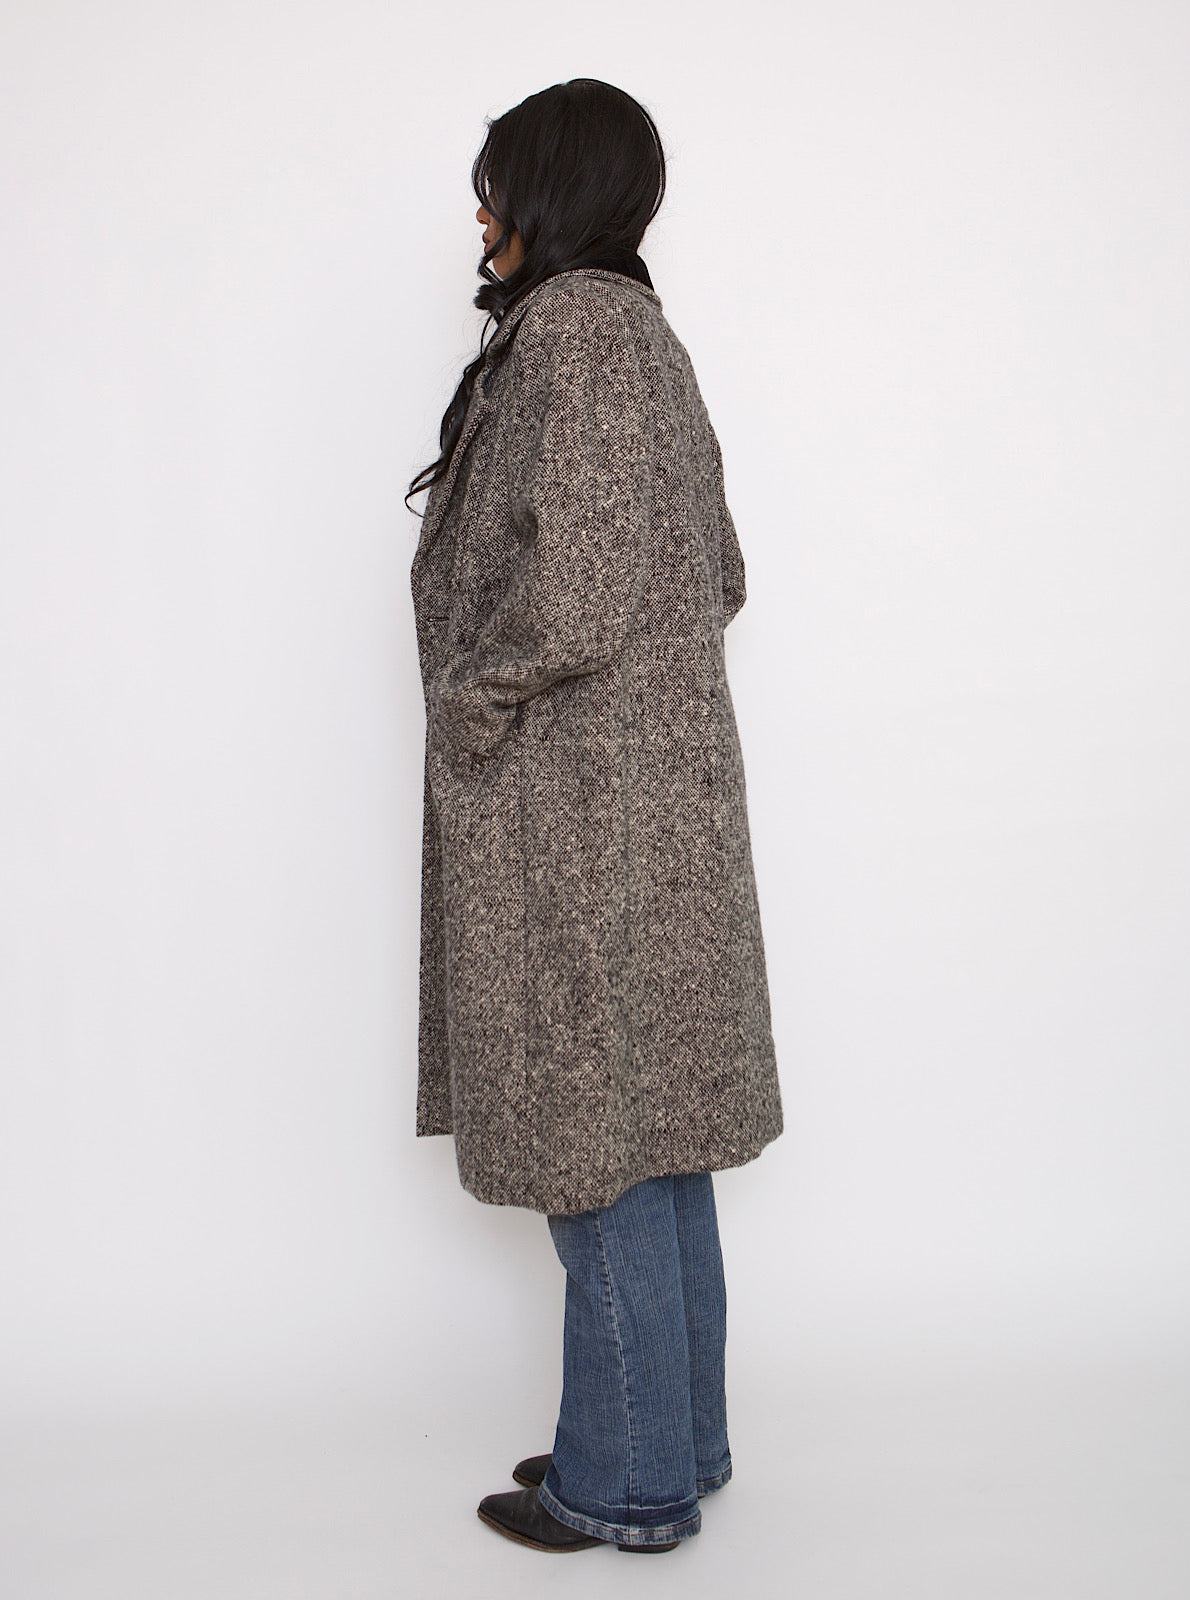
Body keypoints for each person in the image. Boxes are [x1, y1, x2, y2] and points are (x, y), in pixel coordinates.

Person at [406, 78, 785, 1554]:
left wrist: (473, 697)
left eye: (499, 182)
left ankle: (626, 1483)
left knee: (596, 1140)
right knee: (653, 1126)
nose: (481, 212)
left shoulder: (571, 334)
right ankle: (676, 1437)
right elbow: (718, 568)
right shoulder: (641, 335)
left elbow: (572, 593)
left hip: (579, 821)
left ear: (553, 190)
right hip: (644, 810)